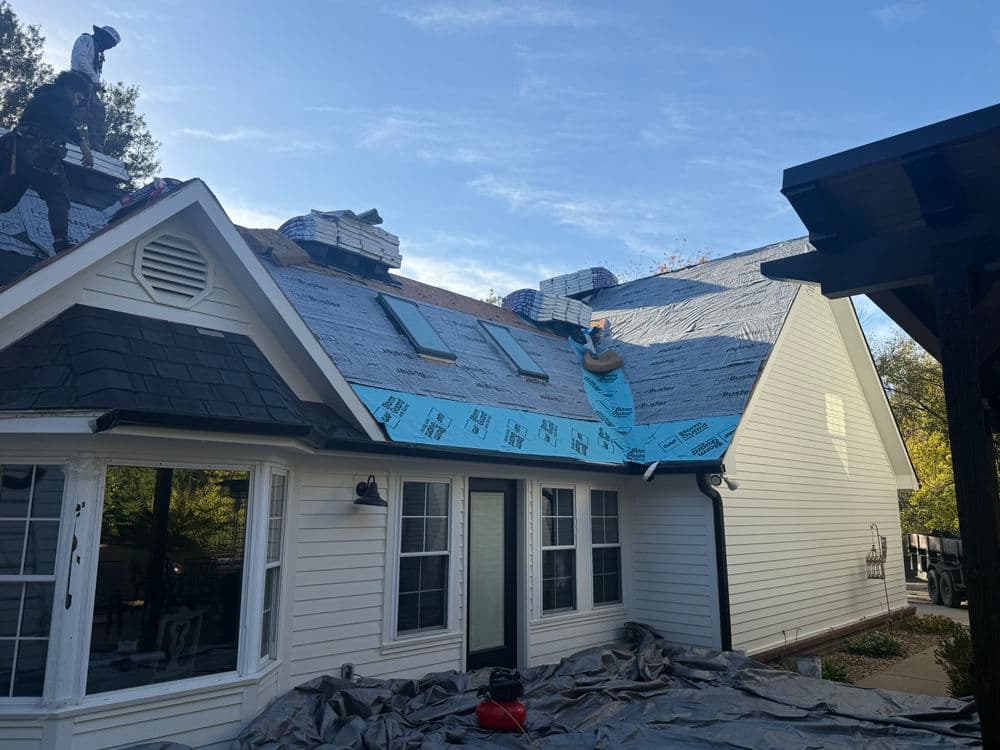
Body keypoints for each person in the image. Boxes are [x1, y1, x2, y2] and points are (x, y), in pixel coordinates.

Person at [0, 71, 92, 254]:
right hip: (39, 151)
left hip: (16, 151)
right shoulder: (60, 98)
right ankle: (61, 242)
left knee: (6, 199)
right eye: (79, 97)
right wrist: (82, 144)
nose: (78, 102)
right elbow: (64, 121)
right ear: (71, 89)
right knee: (58, 195)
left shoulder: (42, 97)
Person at [70, 25, 121, 151]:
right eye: (109, 42)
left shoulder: (99, 54)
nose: (109, 46)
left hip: (90, 87)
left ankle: (97, 148)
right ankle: (67, 137)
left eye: (111, 45)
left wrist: (95, 82)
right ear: (102, 35)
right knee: (75, 110)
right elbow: (79, 59)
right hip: (77, 82)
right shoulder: (86, 40)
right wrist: (93, 77)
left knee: (98, 111)